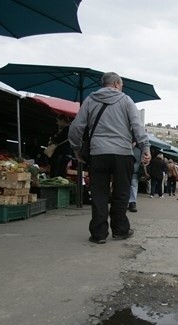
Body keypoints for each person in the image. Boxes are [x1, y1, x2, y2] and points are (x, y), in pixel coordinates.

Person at [68, 72, 150, 244]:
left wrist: (76, 148)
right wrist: (145, 147)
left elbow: (76, 127)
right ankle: (120, 230)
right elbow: (137, 126)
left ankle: (98, 234)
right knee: (121, 193)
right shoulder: (126, 100)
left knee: (99, 193)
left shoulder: (90, 100)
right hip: (122, 153)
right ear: (117, 84)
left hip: (98, 153)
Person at [128, 141, 142, 212]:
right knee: (133, 186)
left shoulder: (137, 150)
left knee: (132, 186)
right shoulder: (138, 150)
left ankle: (131, 202)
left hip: (132, 172)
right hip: (132, 172)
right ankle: (131, 202)